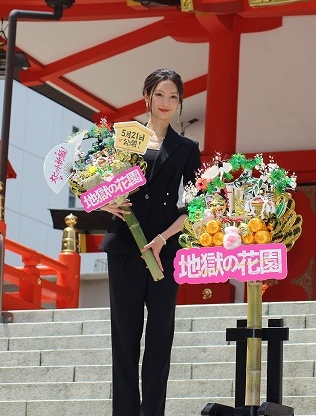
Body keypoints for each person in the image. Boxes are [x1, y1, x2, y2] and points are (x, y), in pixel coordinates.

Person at [99, 68, 202, 416]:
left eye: (173, 97)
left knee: (160, 339)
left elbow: (196, 205)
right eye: (160, 94)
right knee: (125, 339)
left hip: (164, 250)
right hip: (125, 246)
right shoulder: (124, 138)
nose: (166, 103)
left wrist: (163, 238)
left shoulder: (187, 148)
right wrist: (105, 199)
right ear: (146, 96)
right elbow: (96, 183)